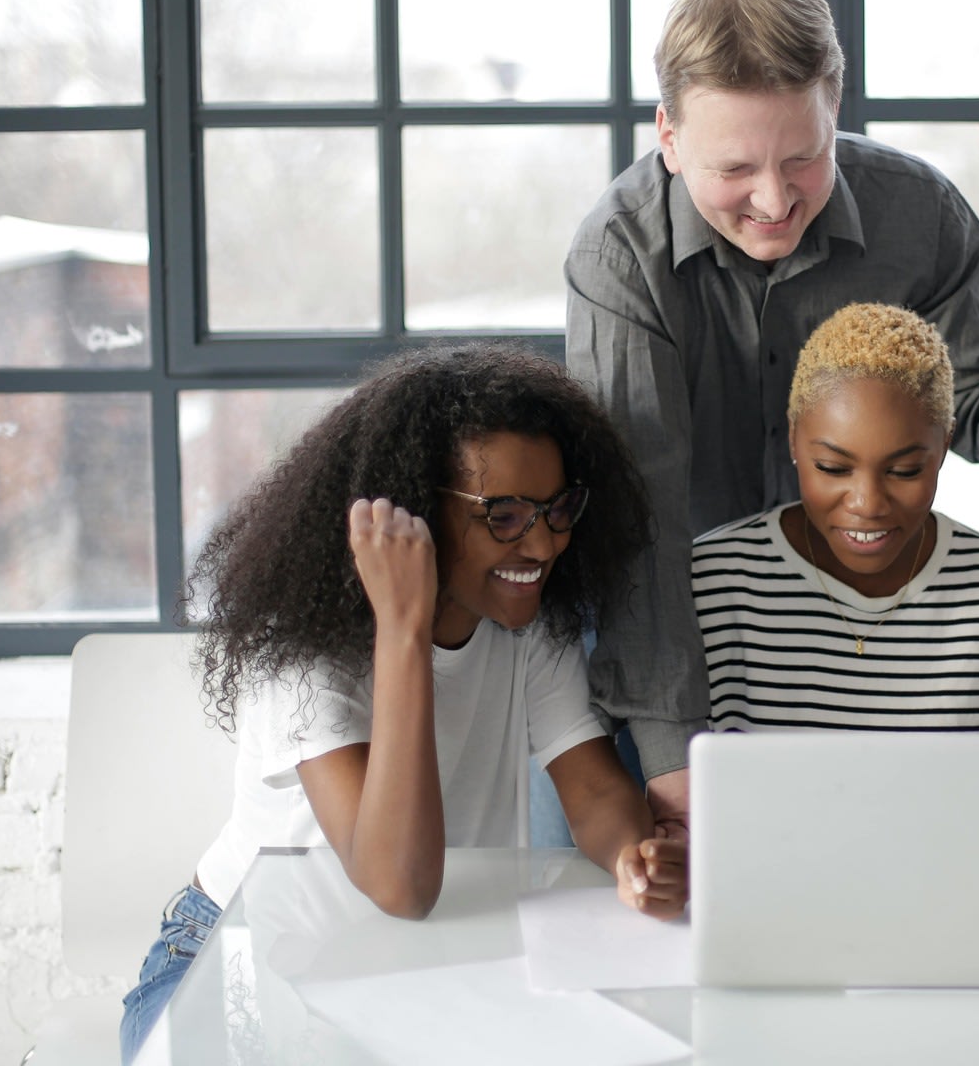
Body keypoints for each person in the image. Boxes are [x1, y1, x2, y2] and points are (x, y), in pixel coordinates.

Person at [566, 0, 979, 819]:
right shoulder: (620, 254)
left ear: (834, 108)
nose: (774, 200)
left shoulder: (920, 217)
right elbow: (637, 515)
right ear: (667, 135)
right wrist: (670, 755)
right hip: (680, 641)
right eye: (734, 167)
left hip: (871, 651)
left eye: (804, 158)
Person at [119, 345, 687, 1064]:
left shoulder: (529, 627)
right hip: (228, 961)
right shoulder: (306, 652)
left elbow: (596, 792)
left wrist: (634, 857)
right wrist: (404, 628)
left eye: (557, 508)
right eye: (504, 515)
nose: (543, 542)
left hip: (408, 970)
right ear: (414, 512)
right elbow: (398, 882)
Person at [693, 303, 979, 731]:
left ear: (943, 447)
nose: (867, 504)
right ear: (794, 441)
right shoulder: (713, 584)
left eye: (904, 471)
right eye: (832, 468)